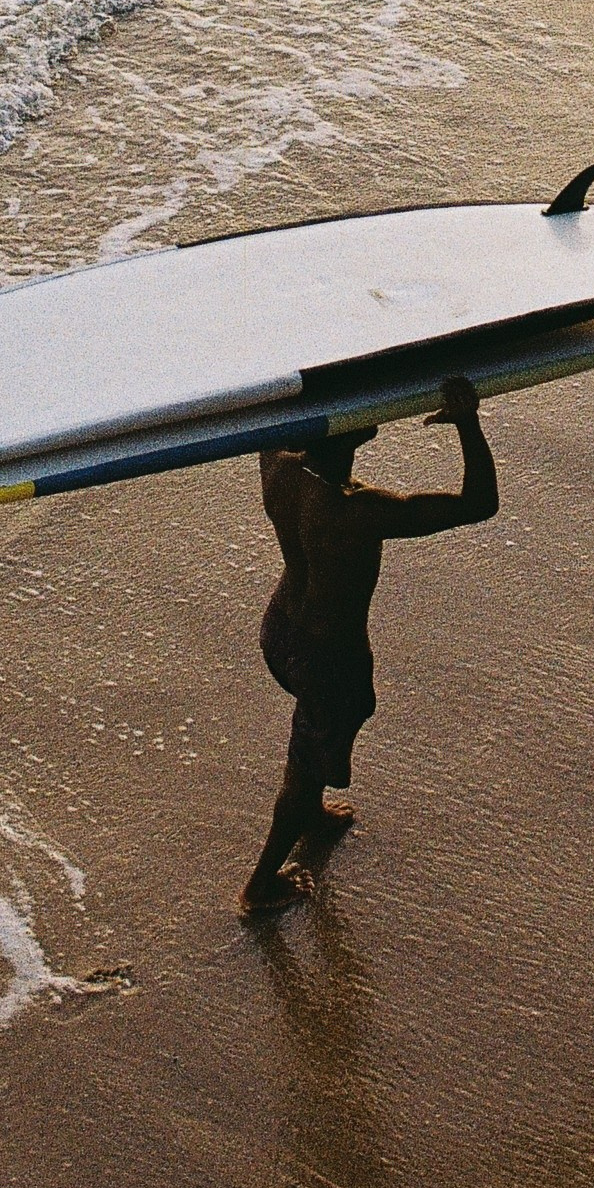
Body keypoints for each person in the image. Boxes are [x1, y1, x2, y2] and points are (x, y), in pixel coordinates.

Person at [240, 374, 497, 918]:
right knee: (307, 760)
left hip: (280, 632)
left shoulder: (281, 473)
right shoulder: (359, 511)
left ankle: (311, 813)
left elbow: (265, 425)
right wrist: (468, 423)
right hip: (328, 657)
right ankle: (260, 886)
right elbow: (479, 504)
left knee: (317, 732)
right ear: (340, 440)